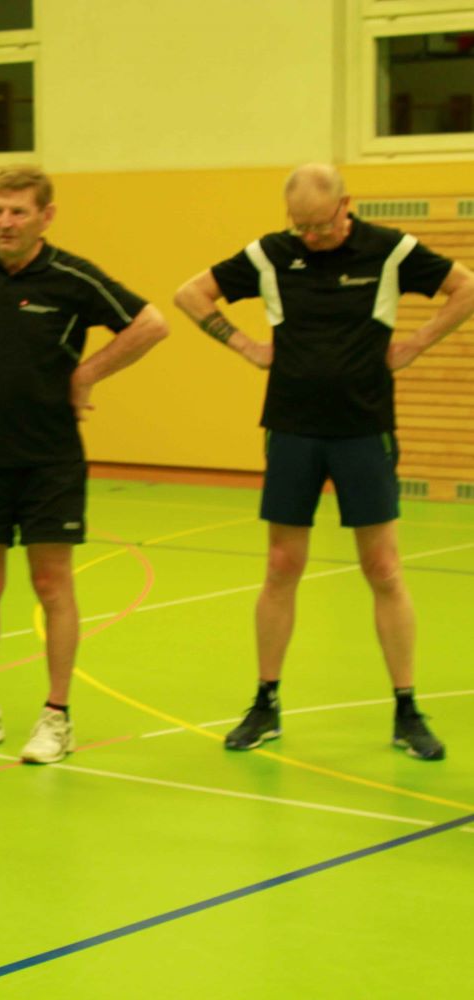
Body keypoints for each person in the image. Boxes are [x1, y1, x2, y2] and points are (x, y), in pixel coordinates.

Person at [174, 163, 474, 760]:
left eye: (320, 225)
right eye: (300, 227)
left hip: (364, 428)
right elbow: (190, 294)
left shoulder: (391, 250)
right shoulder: (271, 254)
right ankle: (265, 702)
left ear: (346, 206)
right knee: (281, 565)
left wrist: (417, 343)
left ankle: (407, 709)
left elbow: (466, 288)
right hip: (292, 428)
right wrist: (243, 345)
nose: (310, 236)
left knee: (383, 568)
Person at [0, 166, 168, 764]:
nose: (4, 222)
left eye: (17, 211)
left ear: (45, 217)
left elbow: (151, 324)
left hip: (50, 458)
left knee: (52, 583)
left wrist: (88, 373)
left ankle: (57, 716)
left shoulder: (73, 278)